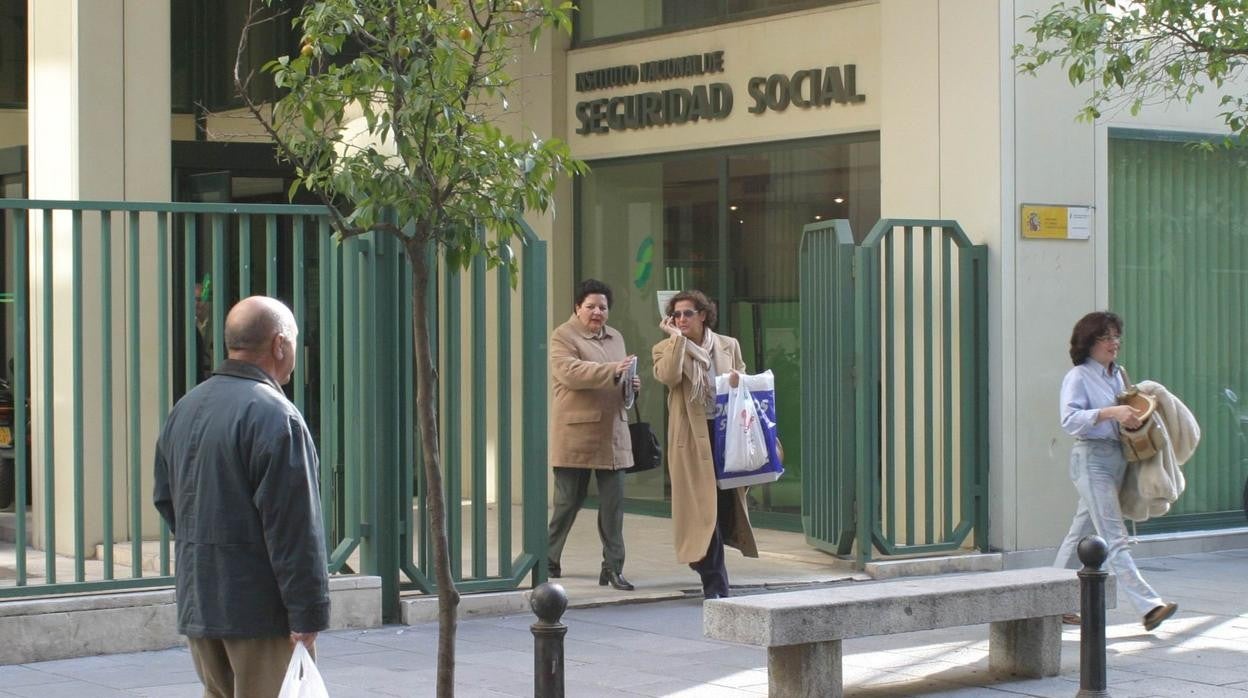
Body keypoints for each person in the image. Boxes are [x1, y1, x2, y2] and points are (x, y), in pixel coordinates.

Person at [154, 296, 330, 697]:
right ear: (280, 344)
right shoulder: (275, 415)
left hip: (202, 603)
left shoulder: (186, 407)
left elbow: (167, 500)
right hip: (259, 615)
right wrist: (307, 611)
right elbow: (293, 527)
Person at [1054, 310, 1178, 632]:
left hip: (1116, 458)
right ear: (1089, 343)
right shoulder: (1079, 376)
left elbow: (1127, 414)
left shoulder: (1118, 375)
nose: (1114, 343)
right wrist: (1113, 412)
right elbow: (1069, 421)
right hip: (1091, 458)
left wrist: (1134, 413)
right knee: (1114, 536)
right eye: (1106, 337)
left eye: (1115, 336)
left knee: (1078, 534)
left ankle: (1053, 600)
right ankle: (1149, 606)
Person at [652, 290, 758, 599]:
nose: (681, 320)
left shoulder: (728, 345)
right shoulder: (665, 347)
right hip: (691, 438)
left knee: (723, 505)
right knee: (703, 507)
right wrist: (676, 340)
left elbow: (744, 380)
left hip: (727, 432)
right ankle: (716, 586)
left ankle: (701, 558)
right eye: (676, 316)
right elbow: (669, 376)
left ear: (703, 315)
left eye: (687, 313)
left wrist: (740, 379)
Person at [546, 279, 641, 591]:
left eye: (602, 307)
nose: (597, 312)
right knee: (567, 503)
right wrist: (614, 370)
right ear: (577, 308)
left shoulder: (617, 338)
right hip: (576, 432)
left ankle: (613, 568)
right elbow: (570, 373)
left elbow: (618, 376)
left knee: (613, 507)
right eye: (591, 306)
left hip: (613, 433)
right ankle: (547, 558)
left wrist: (630, 385)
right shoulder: (563, 335)